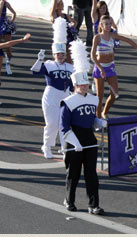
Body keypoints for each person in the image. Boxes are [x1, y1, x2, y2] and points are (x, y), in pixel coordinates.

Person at [60, 39, 106, 215]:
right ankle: (69, 200)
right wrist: (74, 143)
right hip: (74, 139)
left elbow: (92, 119)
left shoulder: (93, 99)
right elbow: (64, 128)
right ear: (75, 86)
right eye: (81, 85)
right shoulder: (68, 102)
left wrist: (99, 122)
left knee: (91, 175)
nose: (85, 87)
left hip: (89, 138)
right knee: (73, 174)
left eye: (86, 85)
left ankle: (93, 204)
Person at [31, 17, 73, 159]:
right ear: (54, 54)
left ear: (65, 55)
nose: (60, 56)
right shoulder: (48, 64)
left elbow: (74, 84)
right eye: (58, 54)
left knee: (65, 123)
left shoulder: (70, 67)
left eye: (62, 54)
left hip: (66, 95)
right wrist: (40, 59)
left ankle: (64, 148)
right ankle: (47, 146)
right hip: (51, 95)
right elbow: (35, 71)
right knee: (52, 123)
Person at [90, 15, 137, 119]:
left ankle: (104, 112)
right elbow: (92, 55)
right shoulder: (97, 37)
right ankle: (98, 119)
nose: (108, 26)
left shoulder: (113, 35)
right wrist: (100, 69)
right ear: (101, 25)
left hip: (110, 67)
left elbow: (128, 40)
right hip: (100, 68)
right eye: (106, 24)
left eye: (110, 23)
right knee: (99, 96)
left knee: (115, 94)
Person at [0, 0, 16, 75]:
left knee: (8, 46)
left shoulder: (6, 3)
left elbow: (14, 13)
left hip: (4, 26)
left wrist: (11, 22)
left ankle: (8, 63)